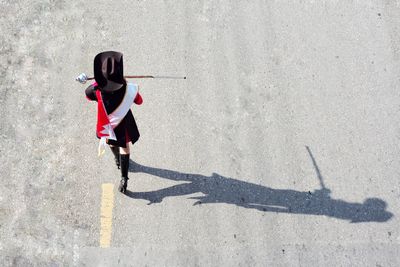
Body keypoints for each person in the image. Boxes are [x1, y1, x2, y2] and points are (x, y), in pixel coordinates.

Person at [85, 51, 143, 193]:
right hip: (123, 124)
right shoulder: (128, 88)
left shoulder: (96, 90)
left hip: (107, 125)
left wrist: (96, 82)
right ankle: (124, 178)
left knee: (111, 142)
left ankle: (117, 159)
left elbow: (87, 95)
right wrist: (128, 84)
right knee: (125, 147)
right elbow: (140, 101)